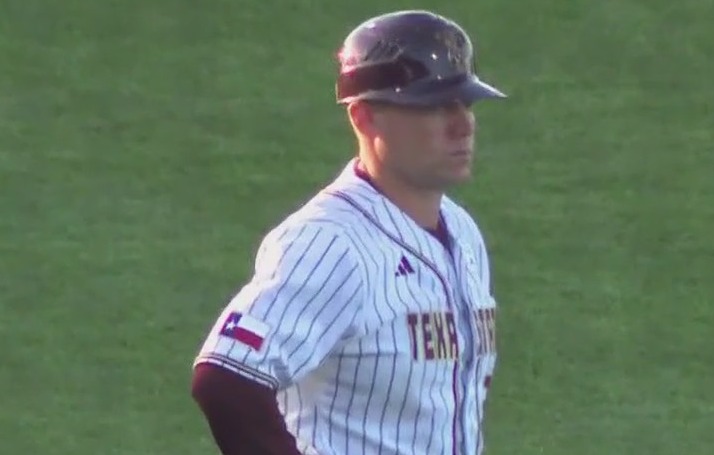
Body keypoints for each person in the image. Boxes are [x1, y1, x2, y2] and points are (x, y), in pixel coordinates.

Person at [190, 9, 506, 455]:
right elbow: (226, 378)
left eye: (465, 103)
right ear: (365, 118)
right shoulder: (330, 242)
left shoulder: (461, 231)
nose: (463, 124)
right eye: (435, 106)